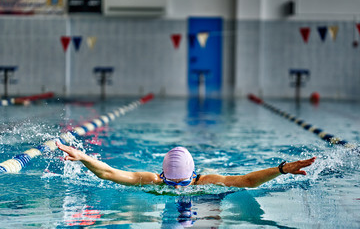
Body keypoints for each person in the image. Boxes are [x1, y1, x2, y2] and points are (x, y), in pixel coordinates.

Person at [56, 142, 316, 189]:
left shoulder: (208, 181)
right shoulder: (153, 180)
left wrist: (281, 170)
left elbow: (247, 181)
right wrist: (84, 157)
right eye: (173, 182)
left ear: (195, 175)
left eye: (182, 184)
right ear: (162, 175)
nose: (178, 189)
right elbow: (108, 173)